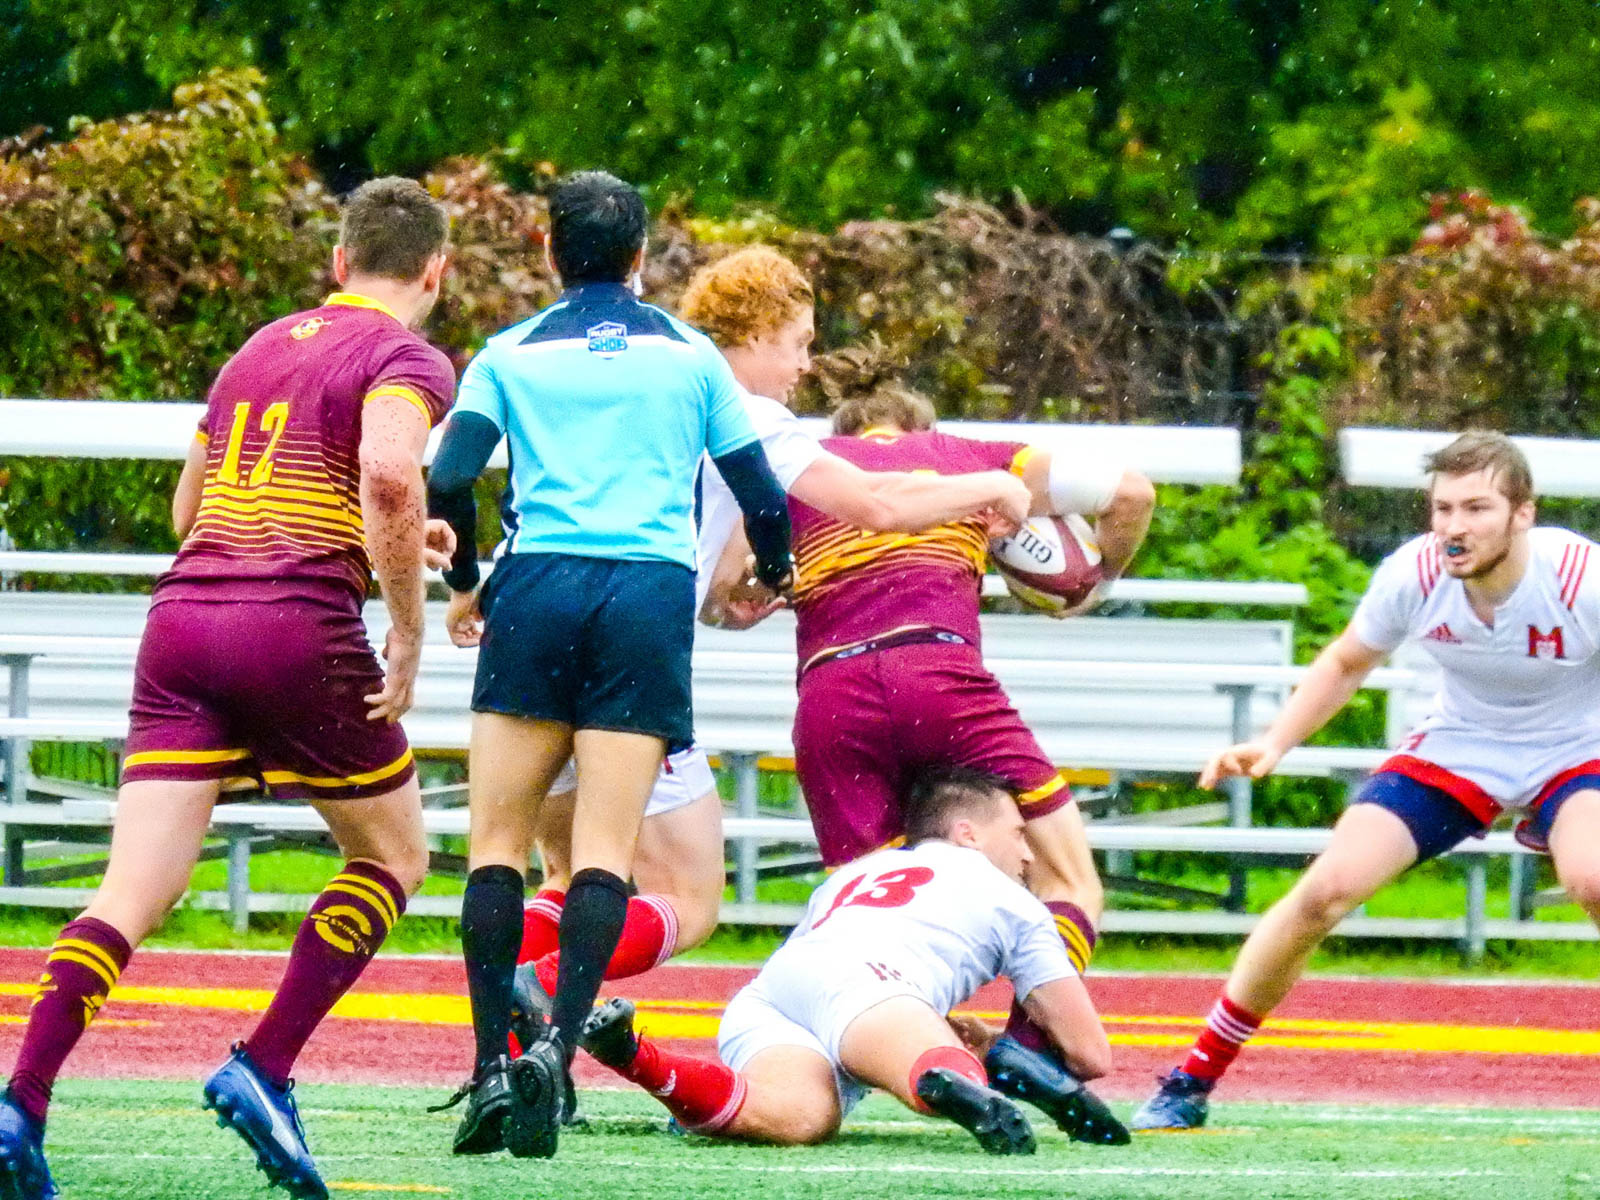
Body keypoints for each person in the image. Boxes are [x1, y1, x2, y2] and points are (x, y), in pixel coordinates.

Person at [0, 177, 458, 1200]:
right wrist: (411, 627)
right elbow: (389, 473)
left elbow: (189, 508)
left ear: (337, 264)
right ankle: (265, 1063)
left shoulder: (258, 346)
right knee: (393, 856)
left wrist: (381, 531)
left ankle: (18, 1104)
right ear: (436, 270)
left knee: (134, 890)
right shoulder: (406, 356)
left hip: (183, 625)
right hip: (295, 627)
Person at [514, 246, 1032, 1014]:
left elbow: (711, 559)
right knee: (685, 898)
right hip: (624, 640)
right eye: (799, 340)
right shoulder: (741, 410)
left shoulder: (634, 380)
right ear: (756, 334)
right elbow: (876, 503)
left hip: (534, 615)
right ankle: (544, 990)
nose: (805, 362)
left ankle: (509, 1041)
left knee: (563, 874)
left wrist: (735, 598)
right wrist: (991, 482)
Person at [424, 174, 795, 1162]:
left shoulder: (507, 353)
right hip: (644, 597)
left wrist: (466, 571)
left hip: (538, 588)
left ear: (550, 254)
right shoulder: (691, 357)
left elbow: (450, 476)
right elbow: (759, 492)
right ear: (641, 258)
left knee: (497, 843)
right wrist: (783, 566)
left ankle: (489, 1072)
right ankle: (556, 1046)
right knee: (603, 852)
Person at [708, 349, 1153, 1106]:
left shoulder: (800, 462)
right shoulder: (965, 457)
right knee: (1067, 874)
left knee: (869, 916)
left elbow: (725, 596)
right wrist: (1090, 585)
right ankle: (1029, 1042)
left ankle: (914, 1046)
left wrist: (760, 592)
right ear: (920, 426)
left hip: (832, 692)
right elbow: (1133, 494)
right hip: (938, 673)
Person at [1132, 431, 1600, 1130]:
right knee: (1325, 890)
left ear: (1523, 513)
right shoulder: (1416, 572)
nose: (1454, 527)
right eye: (1442, 509)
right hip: (1460, 745)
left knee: (1592, 879)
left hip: (1578, 746)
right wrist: (1273, 743)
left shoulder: (1580, 578)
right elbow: (1348, 662)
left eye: (1476, 508)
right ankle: (1190, 1079)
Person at [581, 767, 1117, 1153]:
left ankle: (634, 1056)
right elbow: (1089, 1053)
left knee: (799, 1117)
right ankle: (949, 1077)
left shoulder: (862, 871)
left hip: (777, 989)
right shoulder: (1017, 904)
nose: (1028, 854)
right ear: (968, 833)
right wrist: (995, 1048)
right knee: (939, 1066)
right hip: (871, 987)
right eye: (1019, 833)